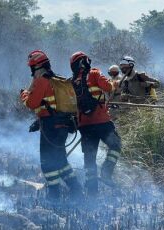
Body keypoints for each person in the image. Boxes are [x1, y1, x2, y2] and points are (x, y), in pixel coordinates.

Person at [20, 50, 83, 200]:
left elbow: (31, 103)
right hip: (63, 126)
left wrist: (24, 94)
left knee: (47, 163)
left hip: (50, 127)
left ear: (37, 67)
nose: (31, 71)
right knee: (61, 161)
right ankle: (76, 191)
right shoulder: (57, 79)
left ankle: (54, 196)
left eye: (32, 67)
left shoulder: (42, 81)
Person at [70, 51, 122, 196]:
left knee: (89, 157)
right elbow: (108, 87)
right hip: (102, 122)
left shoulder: (71, 82)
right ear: (85, 62)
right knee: (116, 145)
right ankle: (106, 172)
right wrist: (115, 83)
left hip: (84, 126)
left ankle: (92, 191)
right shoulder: (94, 73)